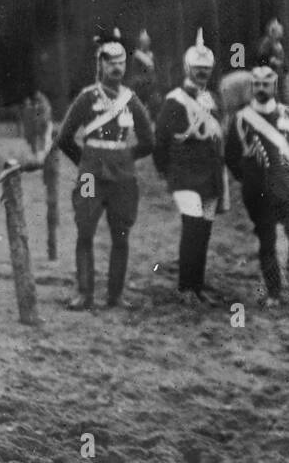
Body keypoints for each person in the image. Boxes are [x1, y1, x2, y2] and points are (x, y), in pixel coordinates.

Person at [55, 29, 155, 310]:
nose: (116, 67)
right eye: (110, 61)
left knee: (121, 236)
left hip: (123, 179)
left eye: (121, 62)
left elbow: (149, 142)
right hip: (90, 177)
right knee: (85, 232)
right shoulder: (87, 98)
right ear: (100, 64)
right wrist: (86, 162)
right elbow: (64, 138)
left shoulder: (131, 100)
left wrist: (124, 157)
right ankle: (85, 294)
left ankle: (115, 296)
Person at [154, 29, 226, 306]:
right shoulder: (175, 100)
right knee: (193, 225)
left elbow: (217, 137)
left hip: (210, 174)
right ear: (187, 69)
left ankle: (197, 285)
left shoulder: (212, 100)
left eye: (206, 70)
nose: (202, 74)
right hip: (184, 173)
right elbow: (161, 140)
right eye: (197, 69)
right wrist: (165, 171)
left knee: (204, 230)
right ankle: (186, 288)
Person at [224, 65, 289, 307]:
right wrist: (248, 178)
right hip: (258, 191)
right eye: (257, 84)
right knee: (267, 241)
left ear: (274, 86)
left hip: (286, 187)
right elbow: (231, 156)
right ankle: (273, 292)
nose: (261, 89)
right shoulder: (241, 119)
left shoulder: (286, 114)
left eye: (266, 84)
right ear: (251, 87)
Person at [127, 27, 162, 119]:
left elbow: (157, 71)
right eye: (143, 41)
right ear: (140, 43)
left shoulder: (152, 55)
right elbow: (134, 73)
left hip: (152, 87)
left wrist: (155, 79)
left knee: (156, 102)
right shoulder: (137, 56)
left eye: (147, 41)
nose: (146, 43)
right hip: (140, 86)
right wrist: (142, 80)